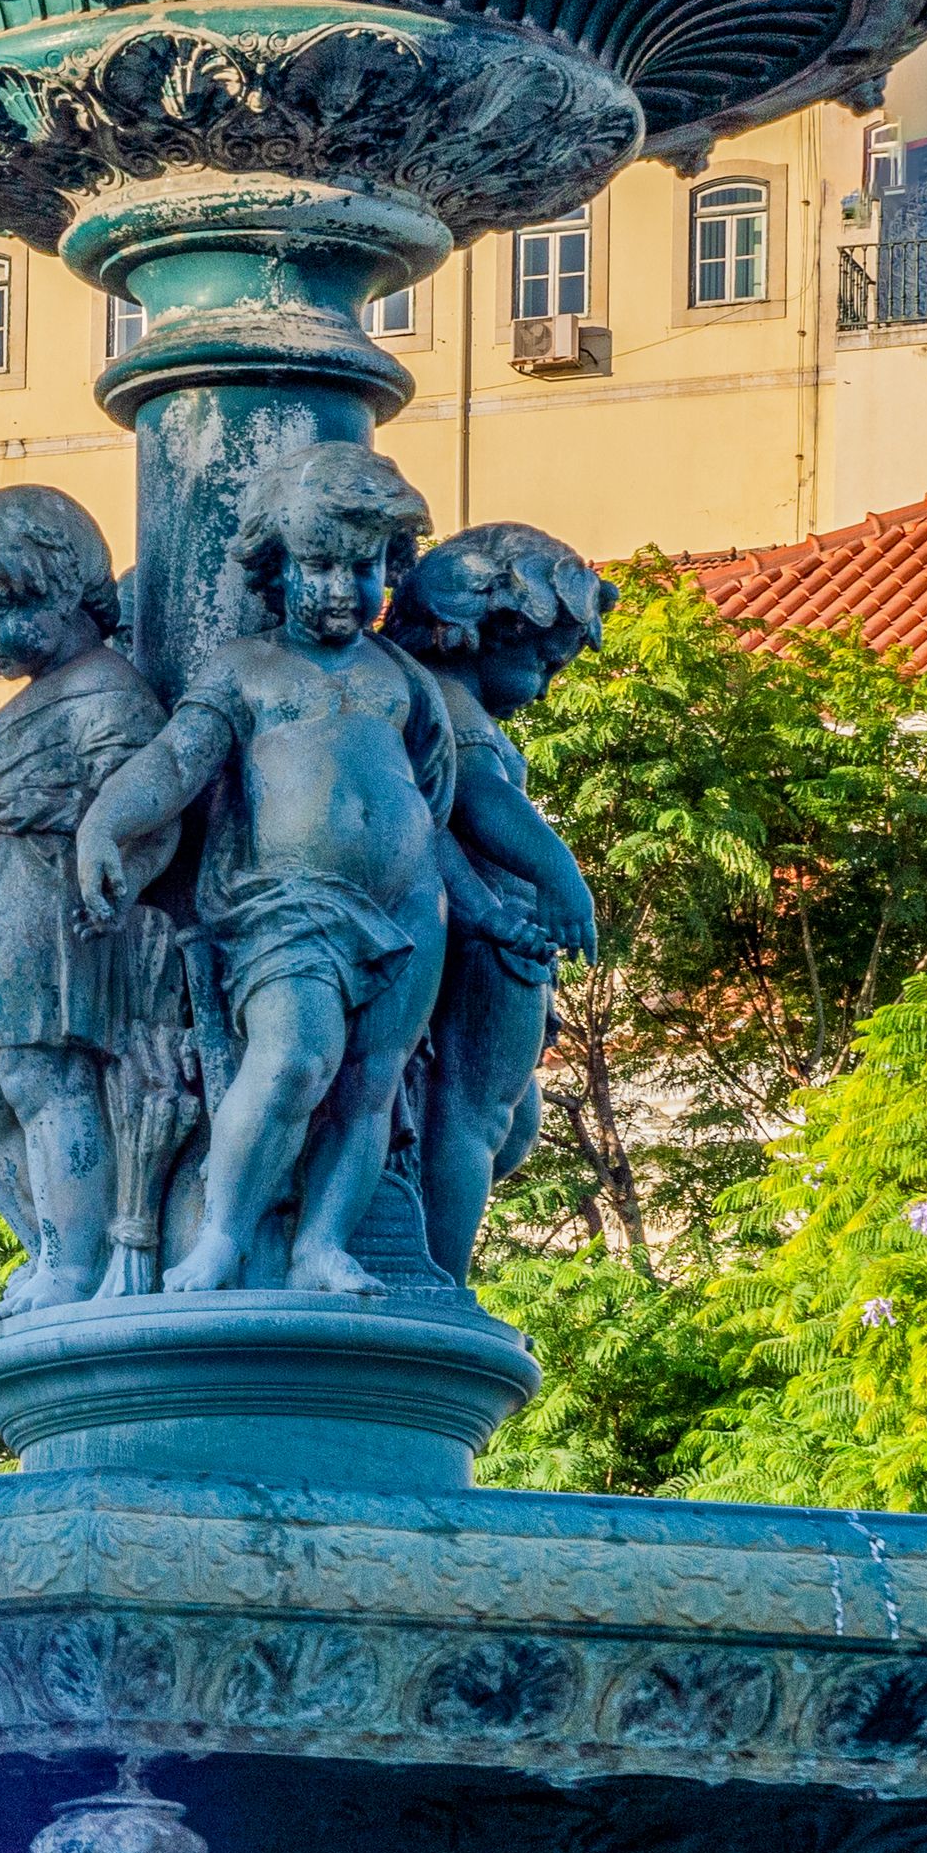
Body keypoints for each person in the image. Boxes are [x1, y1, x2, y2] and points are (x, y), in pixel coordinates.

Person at [77, 444, 459, 1296]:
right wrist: (105, 821)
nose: (337, 588)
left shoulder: (399, 675)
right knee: (291, 1060)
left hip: (405, 907)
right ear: (275, 568)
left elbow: (432, 796)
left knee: (369, 1083)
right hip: (285, 903)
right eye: (316, 565)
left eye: (361, 568)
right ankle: (219, 1237)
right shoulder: (245, 668)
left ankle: (322, 1243)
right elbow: (176, 763)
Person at [0, 484, 173, 1313]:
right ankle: (47, 1251)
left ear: (67, 590)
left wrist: (118, 879)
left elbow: (152, 807)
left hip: (44, 899)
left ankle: (74, 1260)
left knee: (42, 1076)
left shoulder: (107, 692)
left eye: (0, 612)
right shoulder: (13, 715)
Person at [386, 524, 609, 1289]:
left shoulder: (429, 696)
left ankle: (432, 1262)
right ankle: (439, 1281)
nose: (543, 685)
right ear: (484, 631)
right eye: (543, 662)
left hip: (485, 923)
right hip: (494, 936)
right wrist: (561, 877)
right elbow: (480, 802)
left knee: (498, 1121)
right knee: (474, 1116)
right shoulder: (448, 700)